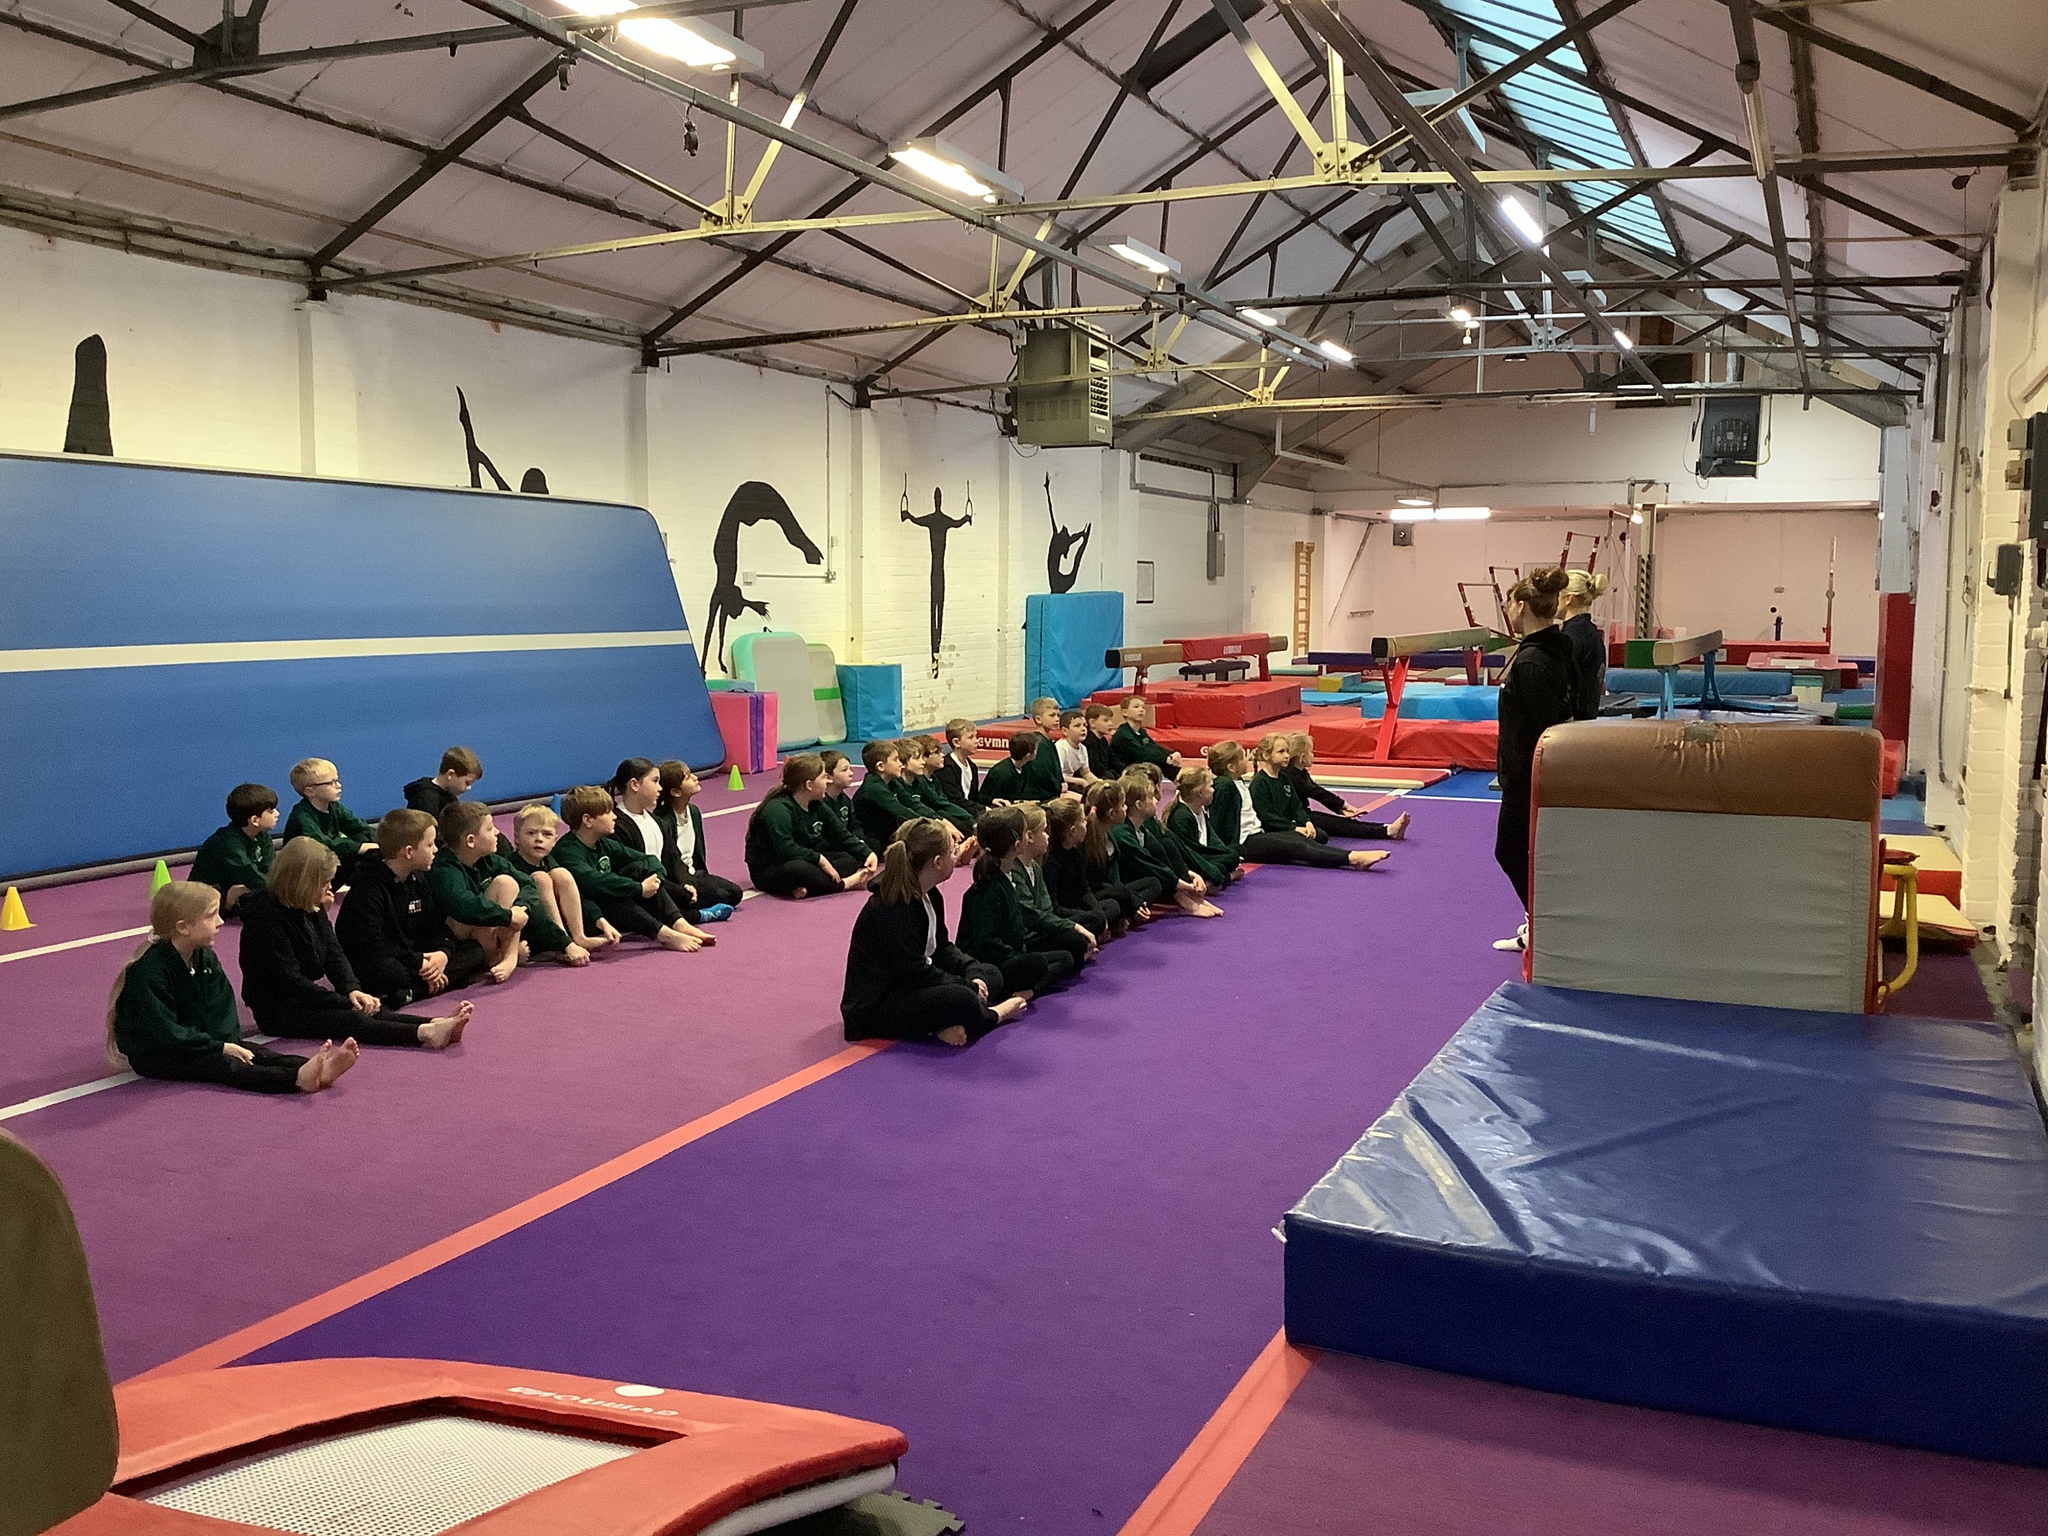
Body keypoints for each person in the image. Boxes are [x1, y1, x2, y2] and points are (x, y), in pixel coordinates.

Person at [110, 880, 357, 1094]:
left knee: (255, 1052)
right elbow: (167, 1031)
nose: (220, 922)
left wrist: (227, 1041)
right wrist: (219, 1047)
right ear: (183, 927)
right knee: (224, 1065)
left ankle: (317, 1068)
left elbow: (222, 1007)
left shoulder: (204, 958)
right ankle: (296, 1079)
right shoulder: (148, 972)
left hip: (196, 1040)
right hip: (158, 1053)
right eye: (211, 916)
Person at [239, 839, 473, 1048]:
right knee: (351, 1017)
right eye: (324, 883)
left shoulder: (309, 905)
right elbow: (289, 980)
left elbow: (333, 953)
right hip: (278, 1008)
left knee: (364, 1006)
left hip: (303, 995)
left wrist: (352, 988)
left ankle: (433, 1023)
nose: (329, 888)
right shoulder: (265, 920)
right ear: (304, 883)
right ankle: (424, 1033)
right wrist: (342, 1000)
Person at [840, 819, 1027, 1047]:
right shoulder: (891, 907)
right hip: (879, 1004)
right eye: (953, 851)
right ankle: (993, 1015)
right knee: (963, 998)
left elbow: (942, 948)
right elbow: (912, 971)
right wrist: (966, 986)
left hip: (913, 984)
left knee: (990, 973)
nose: (957, 855)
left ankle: (940, 1023)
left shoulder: (931, 895)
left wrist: (972, 971)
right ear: (938, 862)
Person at [1493, 567, 1579, 951]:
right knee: (1530, 853)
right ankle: (1541, 924)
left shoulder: (1531, 662)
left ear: (1523, 606)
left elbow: (1548, 725)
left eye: (1510, 602)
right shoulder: (1559, 647)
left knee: (1509, 851)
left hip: (1529, 773)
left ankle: (1543, 927)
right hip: (1538, 770)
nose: (1508, 610)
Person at [335, 809, 490, 1005]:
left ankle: (411, 992)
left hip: (414, 956)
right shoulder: (368, 888)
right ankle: (424, 985)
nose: (436, 850)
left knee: (474, 951)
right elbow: (373, 944)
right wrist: (418, 961)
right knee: (387, 971)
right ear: (409, 852)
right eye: (430, 844)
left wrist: (442, 954)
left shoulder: (418, 878)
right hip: (381, 959)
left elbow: (435, 926)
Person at [553, 785, 713, 950]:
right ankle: (664, 934)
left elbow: (646, 859)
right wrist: (639, 888)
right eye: (608, 812)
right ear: (588, 820)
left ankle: (678, 922)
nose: (615, 816)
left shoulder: (603, 843)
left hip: (606, 907)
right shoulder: (567, 852)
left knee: (638, 870)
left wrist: (655, 878)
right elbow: (595, 881)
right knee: (611, 893)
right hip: (589, 915)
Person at [959, 807, 1082, 997]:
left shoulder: (1005, 877)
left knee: (1065, 958)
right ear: (1017, 845)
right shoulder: (987, 889)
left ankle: (1030, 991)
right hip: (992, 962)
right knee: (1037, 963)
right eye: (1026, 833)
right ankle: (1022, 990)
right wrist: (1018, 956)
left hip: (1012, 952)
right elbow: (987, 945)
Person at [610, 756, 734, 923]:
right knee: (673, 898)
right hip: (643, 888)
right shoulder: (618, 825)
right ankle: (695, 916)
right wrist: (676, 889)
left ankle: (684, 910)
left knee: (726, 893)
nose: (660, 788)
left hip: (663, 883)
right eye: (655, 781)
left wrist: (686, 883)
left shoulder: (656, 822)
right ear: (634, 785)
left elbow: (673, 859)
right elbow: (632, 871)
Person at [428, 801, 539, 981]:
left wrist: (520, 908)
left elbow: (528, 883)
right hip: (453, 935)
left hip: (481, 928)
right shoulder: (444, 868)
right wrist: (508, 916)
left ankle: (508, 956)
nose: (497, 832)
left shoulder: (488, 860)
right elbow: (463, 905)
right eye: (489, 828)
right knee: (483, 909)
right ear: (470, 841)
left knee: (506, 883)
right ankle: (498, 957)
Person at [1240, 738, 1389, 871]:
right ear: (1267, 756)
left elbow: (1296, 806)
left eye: (1287, 751)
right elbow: (1267, 816)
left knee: (1319, 836)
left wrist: (1306, 822)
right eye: (1281, 752)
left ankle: (1352, 855)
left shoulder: (1284, 779)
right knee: (1301, 843)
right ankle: (1353, 858)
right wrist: (1294, 827)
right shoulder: (1259, 783)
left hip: (1286, 826)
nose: (1287, 756)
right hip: (1272, 830)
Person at [744, 754, 877, 899]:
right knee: (800, 869)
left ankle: (807, 888)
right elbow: (786, 849)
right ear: (809, 785)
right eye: (824, 777)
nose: (828, 781)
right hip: (772, 867)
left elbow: (840, 834)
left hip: (804, 858)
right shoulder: (778, 810)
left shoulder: (816, 804)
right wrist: (820, 860)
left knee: (848, 859)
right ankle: (845, 884)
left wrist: (867, 853)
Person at [502, 803, 618, 953]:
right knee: (540, 878)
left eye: (547, 834)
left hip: (553, 926)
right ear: (517, 837)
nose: (539, 839)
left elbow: (578, 896)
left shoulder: (549, 861)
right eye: (531, 833)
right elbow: (532, 913)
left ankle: (579, 936)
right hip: (531, 928)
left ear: (555, 840)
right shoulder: (511, 865)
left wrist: (600, 921)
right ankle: (563, 944)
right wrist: (564, 944)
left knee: (562, 874)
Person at [1113, 774, 1221, 917]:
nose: (1156, 800)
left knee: (1166, 844)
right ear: (1139, 805)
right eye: (1151, 797)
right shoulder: (1122, 834)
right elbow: (1149, 865)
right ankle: (1184, 901)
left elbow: (1161, 857)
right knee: (1155, 882)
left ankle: (1189, 898)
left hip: (1140, 878)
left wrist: (1189, 874)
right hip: (1123, 883)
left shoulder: (1141, 829)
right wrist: (1183, 885)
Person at [1282, 733, 1410, 842]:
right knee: (1338, 824)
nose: (1313, 755)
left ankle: (1386, 829)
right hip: (1294, 819)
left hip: (1303, 814)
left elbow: (1317, 790)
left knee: (1337, 822)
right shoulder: (1292, 776)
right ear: (1302, 757)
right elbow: (1318, 793)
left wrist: (1341, 808)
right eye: (1311, 752)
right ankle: (1387, 830)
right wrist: (1344, 806)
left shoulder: (1300, 773)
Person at [1010, 803, 1102, 952]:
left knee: (1085, 929)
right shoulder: (1015, 871)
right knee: (1075, 941)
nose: (1048, 836)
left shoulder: (1035, 867)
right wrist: (1072, 926)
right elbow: (1032, 916)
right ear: (1030, 837)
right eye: (1044, 831)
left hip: (1043, 926)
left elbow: (1048, 908)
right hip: (1030, 935)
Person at [656, 760, 744, 912]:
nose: (695, 777)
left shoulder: (693, 812)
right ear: (676, 792)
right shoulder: (663, 820)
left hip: (695, 874)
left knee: (735, 893)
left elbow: (697, 854)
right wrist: (686, 882)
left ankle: (690, 904)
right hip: (677, 879)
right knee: (719, 894)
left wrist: (702, 876)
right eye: (688, 777)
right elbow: (671, 861)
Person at [282, 757, 379, 887]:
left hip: (326, 863)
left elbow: (359, 828)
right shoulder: (301, 817)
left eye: (337, 780)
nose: (338, 785)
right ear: (310, 791)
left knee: (370, 852)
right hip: (305, 874)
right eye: (331, 783)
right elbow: (321, 845)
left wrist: (383, 842)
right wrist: (359, 847)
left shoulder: (334, 806)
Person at [188, 782, 278, 916]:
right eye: (271, 811)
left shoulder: (262, 836)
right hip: (204, 897)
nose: (277, 813)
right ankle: (226, 906)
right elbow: (250, 876)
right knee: (245, 890)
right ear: (254, 820)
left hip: (237, 884)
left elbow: (270, 868)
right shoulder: (227, 843)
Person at [1080, 780, 1160, 924]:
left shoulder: (1110, 834)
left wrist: (1129, 899)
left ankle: (1128, 914)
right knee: (1114, 905)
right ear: (1112, 813)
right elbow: (1091, 886)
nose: (1126, 808)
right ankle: (1124, 915)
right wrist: (1129, 900)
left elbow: (1115, 878)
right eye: (1123, 805)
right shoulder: (1086, 842)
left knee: (1153, 883)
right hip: (1093, 894)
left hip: (1113, 891)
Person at [1043, 796, 1124, 937]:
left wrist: (1097, 912)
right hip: (1064, 913)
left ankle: (1099, 929)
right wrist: (1092, 916)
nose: (1086, 823)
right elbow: (1055, 908)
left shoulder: (1075, 852)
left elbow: (1084, 889)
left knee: (1112, 906)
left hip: (1077, 907)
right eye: (1083, 821)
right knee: (1095, 920)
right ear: (1073, 830)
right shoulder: (1051, 862)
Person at [1163, 765, 1241, 888]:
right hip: (1191, 860)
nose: (1213, 790)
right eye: (1210, 786)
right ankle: (1221, 879)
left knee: (1234, 853)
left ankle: (1218, 878)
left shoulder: (1200, 810)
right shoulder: (1181, 817)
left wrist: (1227, 854)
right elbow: (1191, 854)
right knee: (1221, 866)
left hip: (1202, 855)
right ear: (1200, 792)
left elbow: (1213, 840)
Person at [853, 740, 926, 853]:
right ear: (880, 766)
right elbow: (901, 811)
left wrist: (939, 820)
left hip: (887, 833)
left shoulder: (892, 781)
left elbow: (911, 803)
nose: (900, 764)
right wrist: (930, 826)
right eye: (895, 759)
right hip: (872, 838)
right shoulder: (873, 788)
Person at [1560, 569, 1609, 721]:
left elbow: (1564, 687)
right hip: (1587, 720)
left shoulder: (1571, 637)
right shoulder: (1591, 631)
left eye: (1556, 595)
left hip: (1572, 724)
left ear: (1568, 598)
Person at [904, 737, 979, 834]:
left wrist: (970, 821)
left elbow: (944, 803)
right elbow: (937, 804)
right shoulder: (921, 781)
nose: (942, 755)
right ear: (925, 758)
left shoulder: (934, 778)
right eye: (936, 753)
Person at [816, 751, 872, 864]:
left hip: (846, 842)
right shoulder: (820, 803)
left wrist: (860, 840)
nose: (851, 773)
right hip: (831, 847)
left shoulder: (844, 799)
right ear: (828, 777)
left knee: (873, 845)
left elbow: (854, 825)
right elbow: (827, 836)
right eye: (844, 770)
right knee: (848, 860)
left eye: (850, 769)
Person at [403, 747, 482, 819]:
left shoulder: (450, 797)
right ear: (450, 774)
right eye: (467, 783)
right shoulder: (425, 800)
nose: (468, 788)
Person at [1110, 694, 1181, 772]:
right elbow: (1141, 754)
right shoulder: (1123, 734)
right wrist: (1166, 759)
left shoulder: (1141, 731)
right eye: (1136, 707)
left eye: (1143, 707)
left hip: (1141, 767)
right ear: (1125, 712)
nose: (1141, 710)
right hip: (1129, 772)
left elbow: (1153, 746)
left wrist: (1172, 753)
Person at [1025, 698, 1072, 797]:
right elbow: (1042, 773)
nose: (1057, 719)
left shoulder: (1048, 741)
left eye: (1058, 715)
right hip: (1042, 794)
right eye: (1052, 715)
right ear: (1038, 719)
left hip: (1052, 790)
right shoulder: (1038, 743)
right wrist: (1058, 786)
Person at [939, 718, 982, 806]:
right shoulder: (946, 768)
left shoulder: (972, 766)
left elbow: (974, 796)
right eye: (971, 737)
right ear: (956, 742)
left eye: (976, 736)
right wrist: (982, 809)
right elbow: (954, 800)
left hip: (968, 808)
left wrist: (991, 800)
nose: (976, 741)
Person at [1053, 710, 1095, 795]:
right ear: (1065, 731)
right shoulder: (1061, 748)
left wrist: (1100, 783)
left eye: (1085, 725)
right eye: (1077, 726)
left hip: (1071, 782)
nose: (1083, 729)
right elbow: (1057, 776)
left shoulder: (1083, 748)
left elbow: (1086, 773)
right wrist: (1081, 781)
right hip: (1058, 785)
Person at [1082, 703, 1120, 779]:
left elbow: (1113, 761)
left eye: (1110, 720)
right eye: (1106, 720)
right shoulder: (1088, 742)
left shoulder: (1103, 740)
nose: (1111, 723)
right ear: (1092, 723)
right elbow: (1094, 768)